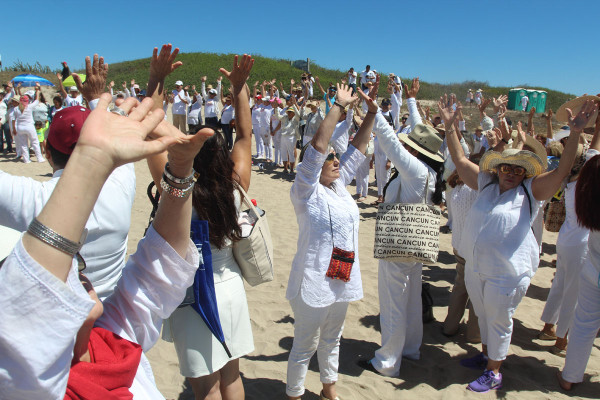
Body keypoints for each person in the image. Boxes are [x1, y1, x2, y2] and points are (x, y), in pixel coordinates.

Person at [0, 73, 209, 398]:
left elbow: (158, 273)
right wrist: (177, 169)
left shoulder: (97, 344)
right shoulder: (119, 183)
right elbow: (158, 272)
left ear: (46, 148)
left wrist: (181, 169)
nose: (78, 271)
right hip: (114, 292)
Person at [445, 96, 598, 392]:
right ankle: (487, 355)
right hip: (477, 268)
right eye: (507, 168)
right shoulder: (487, 184)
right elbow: (461, 160)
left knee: (500, 321)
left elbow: (562, 171)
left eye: (518, 170)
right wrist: (451, 127)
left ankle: (494, 372)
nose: (511, 174)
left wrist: (576, 133)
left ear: (526, 173)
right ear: (499, 167)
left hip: (507, 274)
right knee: (486, 315)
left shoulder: (530, 191)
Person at [147, 49, 255, 400]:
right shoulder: (235, 185)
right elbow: (244, 135)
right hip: (230, 285)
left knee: (205, 387)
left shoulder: (175, 190)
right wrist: (239, 88)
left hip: (191, 293)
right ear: (223, 159)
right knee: (231, 379)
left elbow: (149, 132)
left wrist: (156, 81)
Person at [0, 54, 136, 301]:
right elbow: (116, 143)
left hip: (47, 328)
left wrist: (94, 98)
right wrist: (96, 98)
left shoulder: (28, 198)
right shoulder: (121, 183)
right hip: (109, 319)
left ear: (46, 151)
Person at [286, 84, 372, 400]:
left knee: (333, 338)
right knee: (305, 343)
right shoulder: (305, 190)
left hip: (342, 275)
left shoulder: (338, 185)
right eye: (330, 157)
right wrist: (336, 105)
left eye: (337, 157)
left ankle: (328, 390)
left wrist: (372, 113)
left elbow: (359, 148)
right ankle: (294, 394)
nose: (336, 160)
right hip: (313, 277)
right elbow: (318, 147)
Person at [357, 78, 446, 378]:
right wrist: (411, 101)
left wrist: (375, 112)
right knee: (409, 299)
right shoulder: (428, 171)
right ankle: (410, 349)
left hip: (398, 244)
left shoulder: (415, 169)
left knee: (394, 302)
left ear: (416, 151)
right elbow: (424, 135)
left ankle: (387, 362)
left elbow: (392, 143)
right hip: (414, 244)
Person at [538, 113, 597, 355]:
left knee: (560, 285)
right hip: (581, 246)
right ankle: (562, 340)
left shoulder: (572, 183)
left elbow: (591, 153)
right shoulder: (588, 187)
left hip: (566, 240)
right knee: (574, 293)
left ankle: (548, 326)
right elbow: (593, 154)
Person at [557, 125, 600, 390]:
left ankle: (569, 377)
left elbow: (593, 154)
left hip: (593, 270)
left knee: (583, 325)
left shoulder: (589, 184)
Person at [13, 84, 45, 163]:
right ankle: (39, 158)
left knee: (23, 144)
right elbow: (37, 100)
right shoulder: (29, 107)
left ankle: (26, 159)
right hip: (29, 126)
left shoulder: (16, 108)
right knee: (35, 142)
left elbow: (13, 120)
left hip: (20, 127)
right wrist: (37, 91)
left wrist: (14, 128)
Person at [273, 97, 300, 174]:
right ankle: (285, 168)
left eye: (291, 112)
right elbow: (278, 116)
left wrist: (294, 105)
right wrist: (276, 108)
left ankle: (291, 169)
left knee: (291, 153)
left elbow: (298, 114)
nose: (290, 113)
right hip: (284, 137)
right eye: (289, 112)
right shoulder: (285, 117)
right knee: (283, 152)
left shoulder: (295, 119)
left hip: (291, 137)